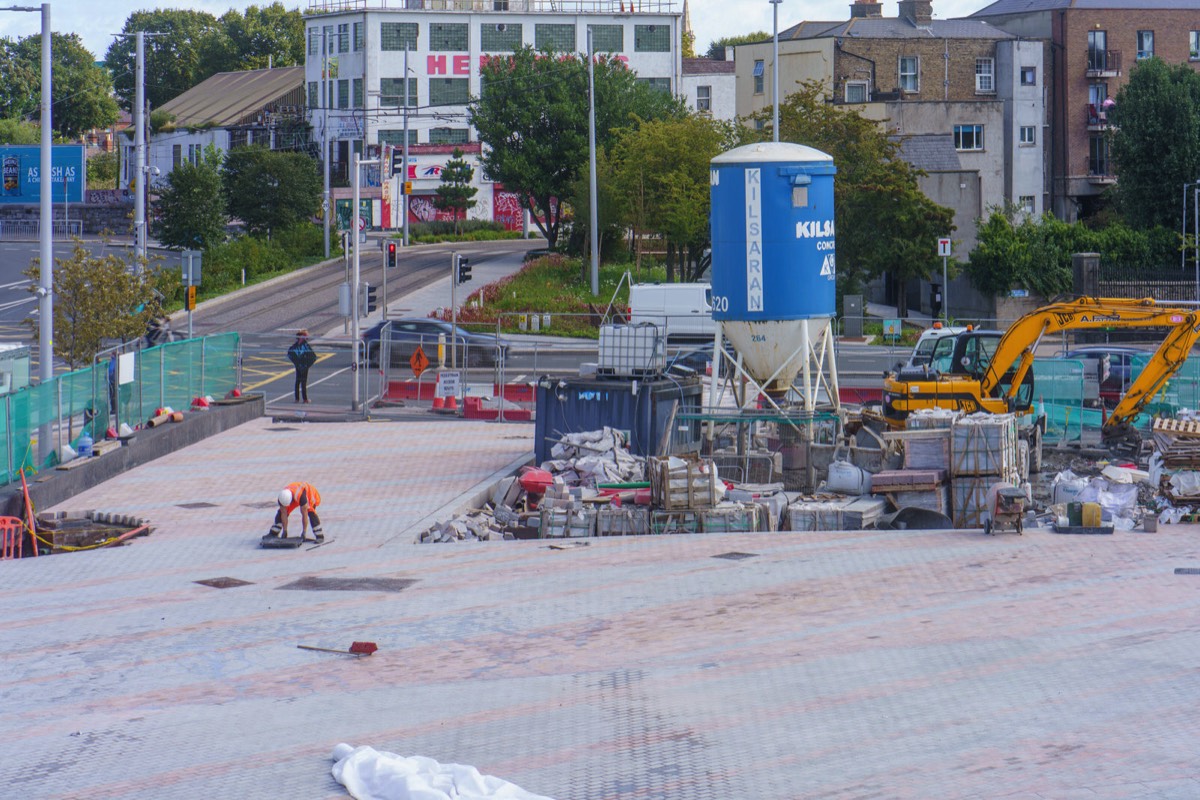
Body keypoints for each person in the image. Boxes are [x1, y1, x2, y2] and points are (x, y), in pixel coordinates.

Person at [287, 329, 317, 403]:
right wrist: (299, 363)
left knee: (300, 381)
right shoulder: (304, 345)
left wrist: (302, 363)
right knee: (300, 381)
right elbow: (313, 356)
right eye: (305, 336)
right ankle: (303, 399)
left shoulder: (297, 345)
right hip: (302, 365)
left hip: (302, 365)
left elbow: (313, 356)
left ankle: (299, 399)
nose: (306, 338)